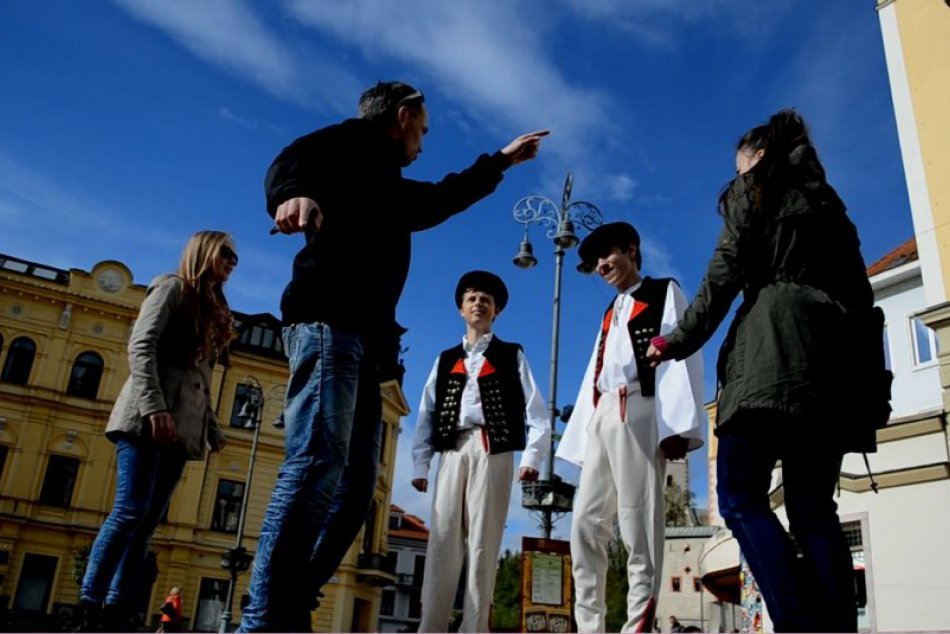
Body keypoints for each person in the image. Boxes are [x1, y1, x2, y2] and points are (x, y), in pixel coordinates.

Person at [239, 81, 548, 632]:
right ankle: (263, 618)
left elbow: (441, 199)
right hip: (327, 320)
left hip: (365, 344)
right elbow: (288, 164)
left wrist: (499, 161)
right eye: (423, 131)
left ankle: (291, 604)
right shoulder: (347, 143)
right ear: (403, 116)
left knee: (358, 488)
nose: (423, 145)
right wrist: (293, 195)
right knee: (315, 464)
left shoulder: (388, 184)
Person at [646, 109, 890, 632]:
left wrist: (674, 339)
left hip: (769, 353)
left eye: (740, 166)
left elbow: (722, 275)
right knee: (812, 508)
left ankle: (799, 622)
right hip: (830, 370)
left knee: (739, 497)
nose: (737, 175)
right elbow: (863, 299)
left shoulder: (755, 190)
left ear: (757, 157)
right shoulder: (829, 204)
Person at [78, 231, 234, 631]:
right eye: (226, 253)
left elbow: (202, 377)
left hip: (180, 430)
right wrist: (154, 407)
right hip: (147, 419)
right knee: (129, 512)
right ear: (204, 252)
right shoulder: (171, 288)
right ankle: (88, 605)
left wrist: (212, 428)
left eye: (236, 258)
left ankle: (115, 609)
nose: (233, 262)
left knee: (147, 523)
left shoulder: (214, 309)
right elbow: (140, 346)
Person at [556, 221, 704, 633]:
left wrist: (674, 425)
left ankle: (637, 623)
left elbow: (680, 349)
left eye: (609, 255)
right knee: (585, 525)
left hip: (639, 406)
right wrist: (584, 431)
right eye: (597, 260)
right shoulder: (610, 310)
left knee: (638, 522)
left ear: (632, 252)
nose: (602, 264)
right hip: (604, 411)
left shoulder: (663, 291)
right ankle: (590, 626)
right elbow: (594, 372)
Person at [411, 271, 550, 632]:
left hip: (493, 450)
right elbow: (427, 412)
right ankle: (431, 626)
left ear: (496, 310)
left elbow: (537, 410)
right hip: (452, 451)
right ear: (461, 308)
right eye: (471, 297)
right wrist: (421, 464)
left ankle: (475, 628)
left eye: (486, 298)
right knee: (442, 541)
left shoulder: (511, 354)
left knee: (483, 545)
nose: (478, 302)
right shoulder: (444, 360)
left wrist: (532, 457)